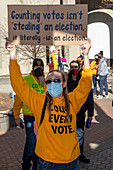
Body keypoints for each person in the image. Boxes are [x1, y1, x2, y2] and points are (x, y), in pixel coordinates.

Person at [6, 37, 92, 170]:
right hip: (49, 163)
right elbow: (18, 85)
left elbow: (85, 84)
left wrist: (86, 55)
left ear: (64, 84)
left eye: (57, 80)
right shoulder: (39, 101)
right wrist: (13, 56)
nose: (52, 83)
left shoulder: (72, 100)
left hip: (72, 161)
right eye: (49, 81)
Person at [13, 58, 46, 170]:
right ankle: (26, 165)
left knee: (40, 142)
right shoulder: (26, 79)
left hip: (42, 117)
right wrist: (17, 116)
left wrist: (44, 84)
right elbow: (18, 98)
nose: (39, 70)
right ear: (32, 68)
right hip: (29, 116)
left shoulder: (46, 81)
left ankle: (36, 164)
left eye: (41, 67)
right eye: (37, 68)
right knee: (31, 141)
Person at [67, 60, 94, 163]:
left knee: (79, 133)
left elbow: (90, 98)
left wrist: (90, 114)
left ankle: (80, 154)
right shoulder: (66, 81)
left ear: (79, 68)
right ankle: (69, 153)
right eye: (72, 67)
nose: (74, 69)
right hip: (68, 112)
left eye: (76, 67)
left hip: (81, 113)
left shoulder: (83, 81)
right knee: (68, 134)